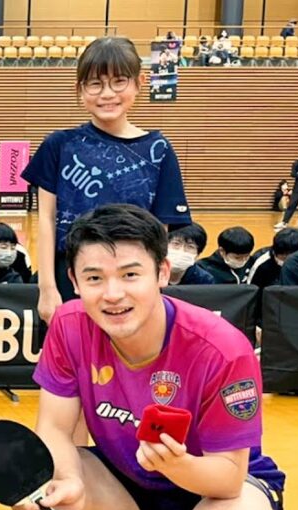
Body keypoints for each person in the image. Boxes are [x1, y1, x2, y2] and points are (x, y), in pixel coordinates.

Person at [16, 203, 285, 510]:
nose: (113, 293)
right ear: (75, 280)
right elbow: (55, 431)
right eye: (95, 278)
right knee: (36, 488)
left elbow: (227, 476)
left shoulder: (222, 350)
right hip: (128, 479)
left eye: (130, 274)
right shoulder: (69, 325)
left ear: (162, 272)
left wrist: (177, 464)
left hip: (218, 487)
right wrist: (68, 484)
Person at [22, 36, 192, 324]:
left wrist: (148, 287)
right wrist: (47, 288)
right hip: (72, 278)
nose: (107, 93)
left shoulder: (159, 149)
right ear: (80, 90)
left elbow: (158, 231)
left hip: (131, 279)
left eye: (118, 81)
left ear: (139, 83)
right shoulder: (59, 145)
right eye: (95, 83)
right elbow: (47, 221)